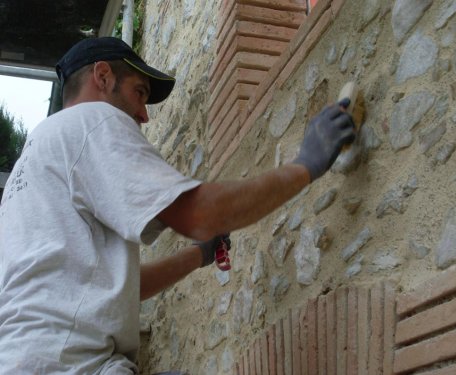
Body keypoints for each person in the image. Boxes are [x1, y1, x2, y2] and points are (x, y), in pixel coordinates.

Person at [0, 37, 355, 374]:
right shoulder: (91, 121)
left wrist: (199, 256)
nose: (144, 115)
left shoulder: (28, 172)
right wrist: (307, 164)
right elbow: (201, 213)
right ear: (103, 77)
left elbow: (112, 291)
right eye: (139, 93)